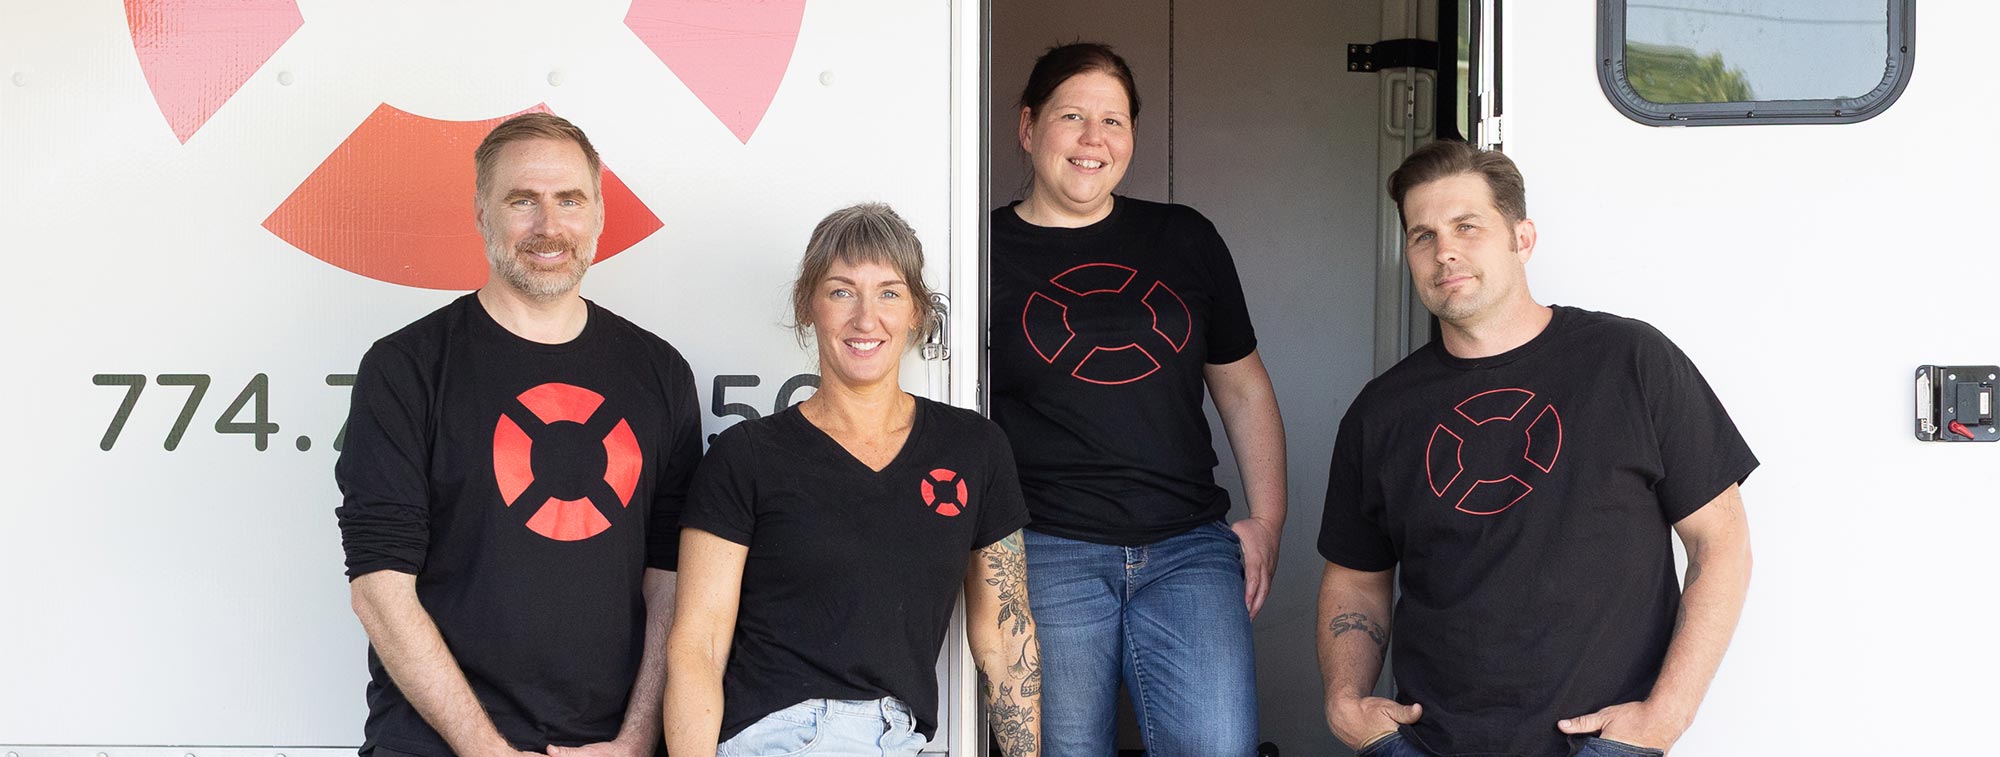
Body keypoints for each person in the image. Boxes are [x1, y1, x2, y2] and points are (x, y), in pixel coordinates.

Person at [1315, 140, 1756, 757]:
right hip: (1428, 745)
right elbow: (1357, 580)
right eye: (1423, 236)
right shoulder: (1380, 412)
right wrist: (1345, 699)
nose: (1445, 251)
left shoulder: (1631, 361)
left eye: (1468, 227)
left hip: (1603, 745)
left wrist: (1665, 716)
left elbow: (1722, 545)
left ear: (1522, 238)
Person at [335, 112, 702, 757]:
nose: (548, 226)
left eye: (569, 200)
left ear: (598, 215)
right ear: (482, 212)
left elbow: (670, 575)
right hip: (435, 746)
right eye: (522, 200)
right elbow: (378, 585)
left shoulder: (659, 372)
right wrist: (485, 749)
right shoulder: (406, 368)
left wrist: (638, 740)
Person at [988, 42, 1288, 756]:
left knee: (1218, 746)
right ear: (1028, 129)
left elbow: (1243, 388)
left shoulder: (1184, 238)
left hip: (1188, 547)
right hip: (1045, 548)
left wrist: (1268, 521)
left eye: (1114, 121)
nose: (1094, 139)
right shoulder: (981, 250)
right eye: (1072, 116)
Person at [664, 203, 1042, 757]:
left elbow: (1006, 640)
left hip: (900, 739)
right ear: (807, 306)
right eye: (842, 291)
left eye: (889, 292)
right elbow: (698, 644)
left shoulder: (974, 447)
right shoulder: (748, 454)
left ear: (917, 311)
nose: (867, 319)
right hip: (779, 736)